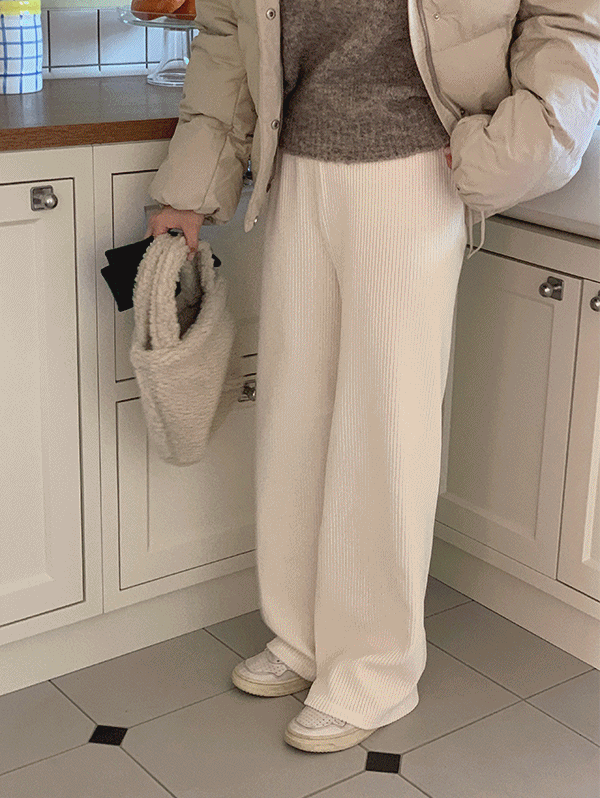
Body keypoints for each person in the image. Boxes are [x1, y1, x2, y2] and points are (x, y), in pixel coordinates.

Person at [145, 0, 600, 754]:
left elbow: (567, 23)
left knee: (385, 424)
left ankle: (374, 668)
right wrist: (189, 190)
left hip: (418, 166)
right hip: (295, 166)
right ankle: (301, 636)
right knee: (292, 417)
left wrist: (511, 152)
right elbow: (229, 31)